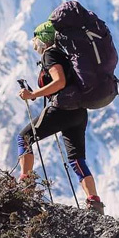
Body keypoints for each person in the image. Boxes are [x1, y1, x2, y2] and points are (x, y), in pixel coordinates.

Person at [17, 20, 106, 214]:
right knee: (76, 159)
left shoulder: (51, 54)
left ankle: (25, 187)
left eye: (36, 40)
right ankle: (94, 202)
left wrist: (33, 95)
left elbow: (59, 82)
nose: (35, 45)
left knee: (24, 138)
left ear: (44, 39)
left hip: (63, 109)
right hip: (79, 112)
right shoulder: (67, 55)